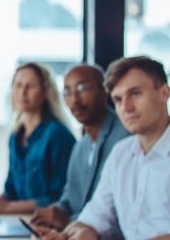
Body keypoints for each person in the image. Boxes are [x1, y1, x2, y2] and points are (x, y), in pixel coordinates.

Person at [41, 56, 170, 240]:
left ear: (164, 93)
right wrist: (67, 236)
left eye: (135, 94)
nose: (126, 107)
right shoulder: (121, 152)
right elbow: (94, 217)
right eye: (118, 99)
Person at [30, 63, 130, 234]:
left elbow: (119, 215)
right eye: (67, 92)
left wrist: (68, 221)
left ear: (105, 91)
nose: (74, 100)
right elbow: (68, 200)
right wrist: (54, 213)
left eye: (83, 88)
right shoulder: (80, 147)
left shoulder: (125, 138)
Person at [0, 62, 76, 214]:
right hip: (18, 221)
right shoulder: (15, 137)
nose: (22, 92)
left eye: (30, 86)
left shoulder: (58, 134)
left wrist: (6, 207)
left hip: (47, 225)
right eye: (18, 85)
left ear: (45, 92)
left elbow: (59, 198)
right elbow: (11, 193)